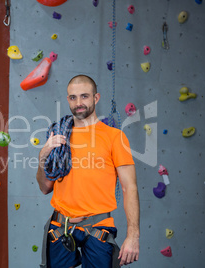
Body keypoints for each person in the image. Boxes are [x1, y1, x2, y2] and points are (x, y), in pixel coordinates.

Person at [36, 75, 140, 267]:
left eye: (84, 96)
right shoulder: (59, 135)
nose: (79, 103)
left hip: (98, 227)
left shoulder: (114, 137)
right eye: (73, 97)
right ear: (68, 99)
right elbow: (44, 187)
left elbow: (129, 188)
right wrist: (43, 154)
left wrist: (133, 236)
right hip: (61, 226)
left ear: (96, 98)